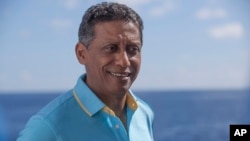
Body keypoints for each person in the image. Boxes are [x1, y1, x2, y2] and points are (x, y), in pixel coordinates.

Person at [17, 2, 154, 141]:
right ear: (82, 54)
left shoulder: (144, 113)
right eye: (111, 48)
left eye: (133, 49)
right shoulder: (46, 128)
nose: (124, 61)